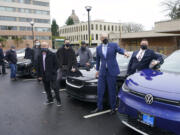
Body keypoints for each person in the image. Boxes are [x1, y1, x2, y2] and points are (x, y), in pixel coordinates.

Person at [92, 34, 129, 115]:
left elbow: (120, 50)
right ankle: (99, 107)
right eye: (103, 38)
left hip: (111, 71)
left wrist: (124, 53)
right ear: (100, 39)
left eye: (106, 37)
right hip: (102, 72)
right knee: (100, 90)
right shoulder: (98, 48)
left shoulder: (113, 45)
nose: (105, 39)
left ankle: (113, 108)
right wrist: (97, 70)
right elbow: (98, 60)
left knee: (112, 90)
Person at [37, 42, 61, 106]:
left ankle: (58, 101)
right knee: (47, 88)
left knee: (55, 88)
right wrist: (39, 75)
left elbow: (57, 65)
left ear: (48, 46)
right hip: (44, 75)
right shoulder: (39, 55)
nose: (44, 47)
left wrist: (53, 71)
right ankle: (50, 100)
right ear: (41, 47)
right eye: (42, 46)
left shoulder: (52, 54)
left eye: (45, 46)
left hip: (52, 74)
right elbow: (38, 66)